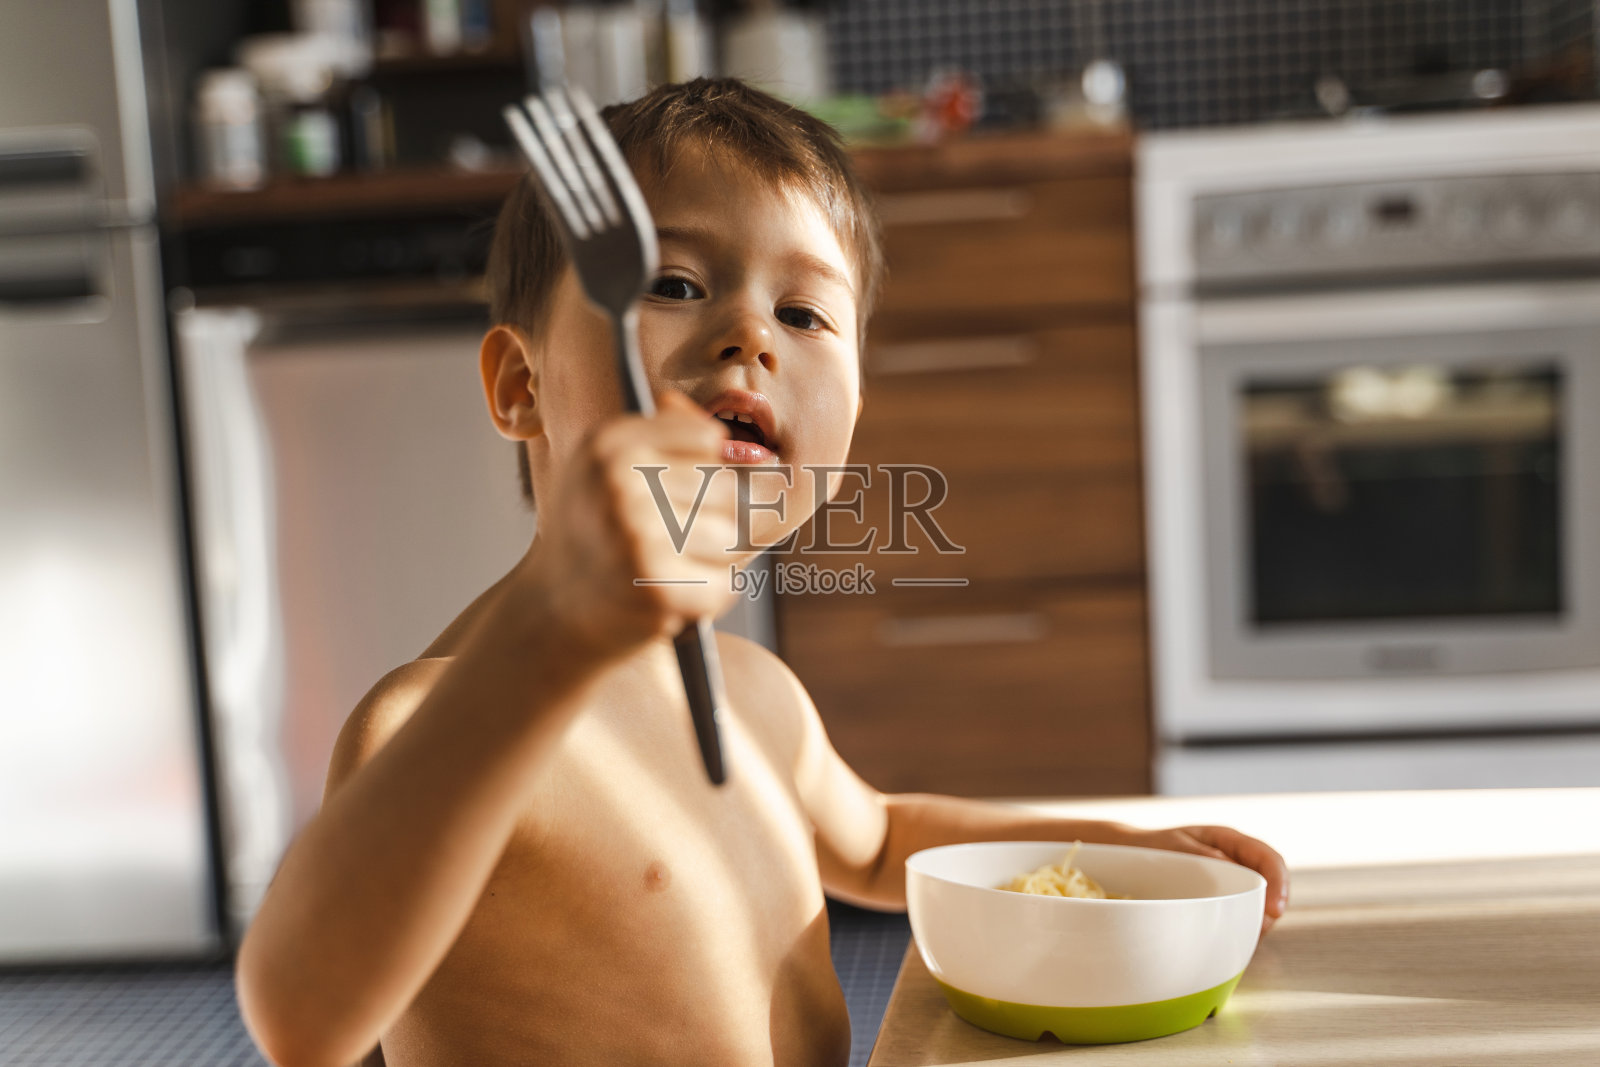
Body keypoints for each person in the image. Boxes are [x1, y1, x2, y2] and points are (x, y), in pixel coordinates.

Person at [235, 78, 1289, 1067]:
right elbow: (302, 1014)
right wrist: (542, 644)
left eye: (803, 314)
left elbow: (881, 838)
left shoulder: (756, 695)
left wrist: (1102, 846)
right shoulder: (442, 716)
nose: (749, 336)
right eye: (678, 284)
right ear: (520, 384)